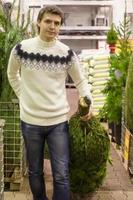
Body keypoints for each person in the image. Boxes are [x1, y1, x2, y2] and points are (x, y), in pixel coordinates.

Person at [7, 5, 93, 200]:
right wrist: (23, 96)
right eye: (48, 21)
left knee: (61, 174)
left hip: (58, 123)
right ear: (39, 22)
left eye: (57, 23)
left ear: (60, 26)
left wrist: (89, 101)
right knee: (35, 171)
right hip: (30, 122)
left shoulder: (66, 53)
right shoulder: (21, 49)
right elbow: (12, 75)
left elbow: (80, 81)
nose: (52, 26)